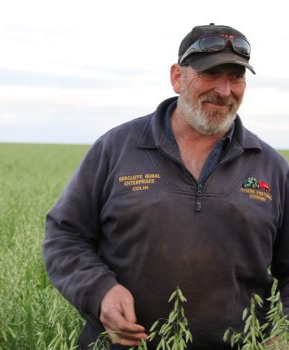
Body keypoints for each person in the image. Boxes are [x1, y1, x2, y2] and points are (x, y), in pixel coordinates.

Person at [43, 23, 289, 349]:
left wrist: (284, 329)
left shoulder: (270, 167)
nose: (225, 90)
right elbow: (65, 234)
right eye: (211, 73)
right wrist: (101, 291)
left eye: (236, 76)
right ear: (177, 77)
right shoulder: (117, 148)